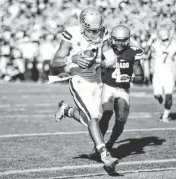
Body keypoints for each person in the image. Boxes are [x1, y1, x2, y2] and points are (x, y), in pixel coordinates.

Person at [51, 7, 118, 169]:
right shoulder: (71, 34)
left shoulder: (103, 33)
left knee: (90, 118)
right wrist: (71, 58)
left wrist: (103, 63)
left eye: (97, 30)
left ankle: (66, 110)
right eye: (91, 30)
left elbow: (111, 57)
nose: (95, 34)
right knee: (92, 118)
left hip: (97, 81)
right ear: (82, 25)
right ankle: (104, 154)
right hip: (79, 81)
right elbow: (55, 62)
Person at [99, 25, 144, 151]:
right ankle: (99, 144)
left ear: (128, 39)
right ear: (112, 38)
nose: (119, 43)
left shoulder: (133, 52)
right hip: (107, 86)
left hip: (123, 89)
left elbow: (140, 77)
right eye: (117, 40)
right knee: (107, 113)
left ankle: (111, 142)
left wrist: (130, 78)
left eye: (123, 40)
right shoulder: (106, 49)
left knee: (121, 119)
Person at [145, 28, 176, 122]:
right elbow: (145, 52)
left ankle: (165, 116)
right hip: (157, 73)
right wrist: (150, 40)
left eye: (167, 39)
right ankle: (160, 99)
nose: (165, 41)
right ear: (159, 38)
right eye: (163, 39)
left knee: (169, 95)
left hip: (169, 73)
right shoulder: (155, 45)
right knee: (157, 95)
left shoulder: (174, 45)